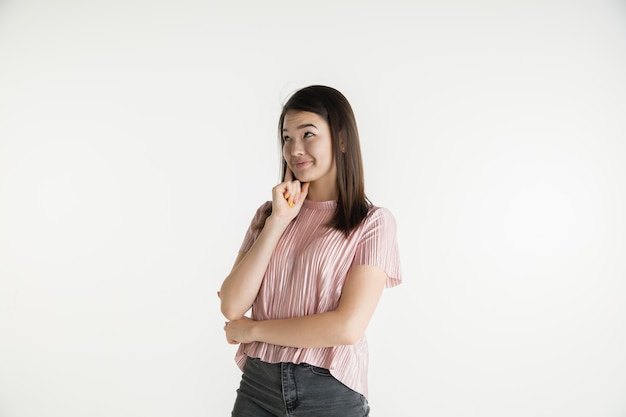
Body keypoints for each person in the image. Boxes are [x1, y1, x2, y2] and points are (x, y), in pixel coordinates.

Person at [219, 85, 402, 417]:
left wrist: (253, 330)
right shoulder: (269, 214)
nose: (295, 149)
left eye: (308, 134)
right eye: (287, 138)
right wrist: (278, 222)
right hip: (258, 386)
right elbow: (232, 304)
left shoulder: (372, 223)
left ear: (342, 140)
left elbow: (346, 328)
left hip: (327, 391)